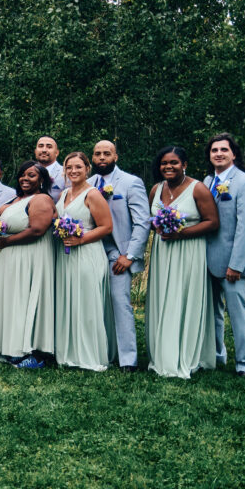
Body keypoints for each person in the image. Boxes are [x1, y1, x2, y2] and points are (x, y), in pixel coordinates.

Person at [145, 145, 219, 379]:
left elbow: (212, 222)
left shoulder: (198, 189)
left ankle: (186, 354)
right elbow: (150, 219)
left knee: (183, 297)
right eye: (164, 163)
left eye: (174, 163)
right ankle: (163, 353)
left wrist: (181, 233)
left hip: (188, 250)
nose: (169, 166)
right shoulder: (156, 188)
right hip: (163, 252)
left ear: (184, 165)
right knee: (163, 298)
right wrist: (158, 227)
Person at [0, 160, 57, 368]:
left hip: (29, 258)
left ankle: (32, 352)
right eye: (22, 175)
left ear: (42, 180)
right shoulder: (15, 199)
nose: (25, 178)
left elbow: (37, 230)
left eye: (31, 175)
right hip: (7, 260)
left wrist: (5, 241)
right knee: (12, 301)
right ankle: (11, 346)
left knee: (25, 300)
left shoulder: (41, 199)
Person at [87, 140, 150, 372]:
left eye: (107, 153)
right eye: (97, 154)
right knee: (96, 304)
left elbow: (142, 222)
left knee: (120, 303)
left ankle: (128, 360)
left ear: (116, 156)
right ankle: (103, 350)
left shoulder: (131, 182)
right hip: (92, 253)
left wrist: (130, 255)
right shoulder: (88, 183)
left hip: (119, 256)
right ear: (92, 159)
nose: (101, 158)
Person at [203, 133, 245, 377]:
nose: (218, 153)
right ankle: (217, 356)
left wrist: (236, 265)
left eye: (224, 150)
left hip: (233, 263)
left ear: (233, 154)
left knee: (239, 314)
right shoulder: (206, 182)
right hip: (208, 260)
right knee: (211, 313)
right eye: (214, 150)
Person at [54, 152, 114, 371]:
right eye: (69, 167)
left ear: (87, 168)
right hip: (66, 256)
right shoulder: (63, 194)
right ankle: (70, 351)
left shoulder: (93, 194)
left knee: (87, 302)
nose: (73, 171)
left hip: (87, 253)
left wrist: (81, 240)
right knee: (70, 300)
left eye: (78, 167)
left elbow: (106, 227)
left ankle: (90, 354)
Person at [35, 136, 65, 202]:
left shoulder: (66, 173)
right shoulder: (27, 173)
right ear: (35, 151)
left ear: (57, 153)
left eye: (49, 147)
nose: (44, 150)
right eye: (40, 146)